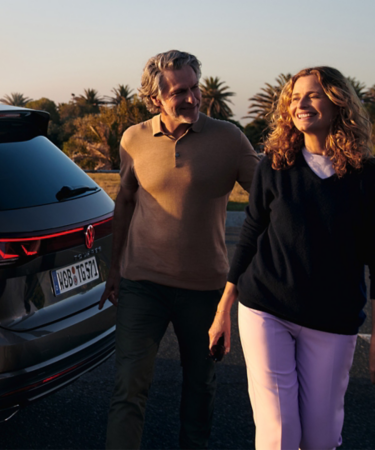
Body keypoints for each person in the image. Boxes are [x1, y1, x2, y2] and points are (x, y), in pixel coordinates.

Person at [208, 66, 375, 449]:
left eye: (313, 95)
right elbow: (250, 238)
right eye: (294, 98)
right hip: (266, 309)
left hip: (333, 321)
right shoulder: (274, 167)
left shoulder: (372, 178)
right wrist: (224, 309)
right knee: (278, 434)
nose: (301, 104)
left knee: (321, 438)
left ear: (339, 103)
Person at [99, 50, 259, 449]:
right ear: (155, 99)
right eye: (178, 92)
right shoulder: (133, 139)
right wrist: (114, 270)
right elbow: (126, 204)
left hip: (205, 290)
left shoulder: (230, 139)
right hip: (141, 285)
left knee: (200, 388)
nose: (191, 98)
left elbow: (269, 201)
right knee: (128, 390)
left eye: (194, 87)